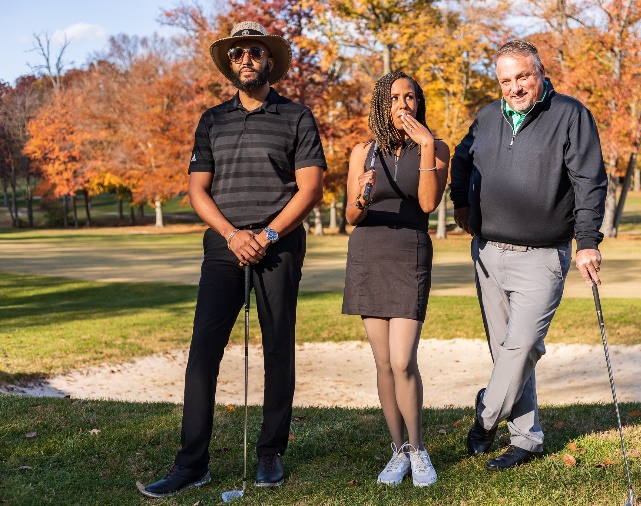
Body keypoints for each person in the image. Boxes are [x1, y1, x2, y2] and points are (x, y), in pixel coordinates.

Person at [139, 21, 326, 498]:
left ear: (269, 61)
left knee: (278, 349)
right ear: (230, 63)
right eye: (238, 53)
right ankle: (191, 463)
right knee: (204, 352)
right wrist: (231, 235)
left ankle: (269, 452)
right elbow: (197, 190)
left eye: (254, 52)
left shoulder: (298, 116)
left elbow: (310, 188)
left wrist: (264, 234)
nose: (246, 59)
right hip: (224, 249)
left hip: (278, 247)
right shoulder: (212, 120)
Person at [449, 40, 607, 471]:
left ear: (540, 71)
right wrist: (461, 205)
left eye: (523, 76)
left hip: (542, 256)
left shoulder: (570, 114)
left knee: (520, 350)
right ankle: (526, 439)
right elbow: (461, 161)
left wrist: (587, 241)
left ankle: (485, 417)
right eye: (506, 80)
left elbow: (589, 181)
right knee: (506, 355)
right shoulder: (485, 116)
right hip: (487, 254)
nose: (515, 87)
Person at [342, 71, 449, 487]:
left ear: (419, 103)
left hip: (409, 254)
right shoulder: (361, 152)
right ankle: (398, 450)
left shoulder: (437, 148)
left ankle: (419, 449)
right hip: (368, 255)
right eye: (394, 98)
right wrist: (362, 195)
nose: (403, 105)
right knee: (384, 363)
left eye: (410, 97)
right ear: (381, 106)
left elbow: (427, 202)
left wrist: (424, 145)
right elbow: (351, 217)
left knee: (404, 360)